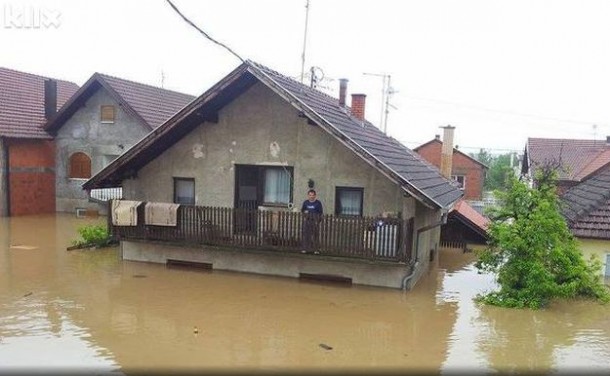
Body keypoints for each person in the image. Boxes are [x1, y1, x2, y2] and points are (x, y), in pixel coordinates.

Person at [301, 189, 323, 254]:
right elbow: (302, 210)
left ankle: (316, 250)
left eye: (313, 195)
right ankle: (305, 249)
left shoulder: (318, 203)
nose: (311, 196)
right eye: (310, 195)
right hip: (307, 221)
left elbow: (320, 212)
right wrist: (305, 212)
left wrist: (318, 221)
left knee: (315, 236)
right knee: (306, 235)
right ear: (308, 195)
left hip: (315, 221)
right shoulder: (305, 202)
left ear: (315, 196)